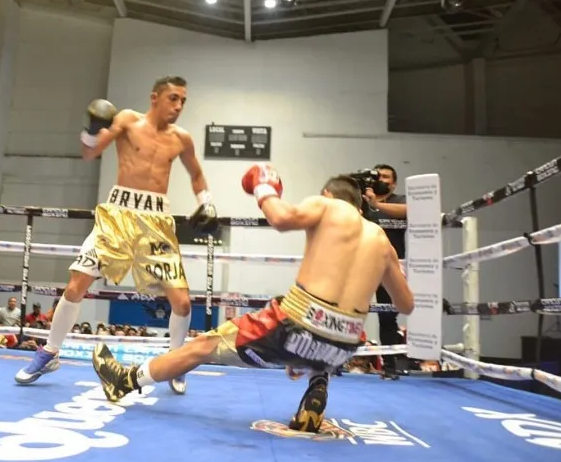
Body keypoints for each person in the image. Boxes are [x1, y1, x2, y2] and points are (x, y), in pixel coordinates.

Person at [91, 165, 413, 432]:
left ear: (328, 195)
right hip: (343, 345)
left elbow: (281, 218)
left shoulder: (327, 205)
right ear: (361, 205)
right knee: (323, 334)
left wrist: (263, 187)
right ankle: (317, 388)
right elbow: (405, 305)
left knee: (203, 346)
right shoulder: (383, 242)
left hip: (296, 326)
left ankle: (125, 380)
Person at [15, 76, 218, 395]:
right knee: (75, 284)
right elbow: (89, 152)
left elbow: (196, 174)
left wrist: (206, 203)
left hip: (156, 222)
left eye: (183, 101)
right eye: (173, 99)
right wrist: (92, 129)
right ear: (155, 98)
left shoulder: (182, 138)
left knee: (181, 302)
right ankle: (50, 352)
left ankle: (175, 363)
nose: (179, 106)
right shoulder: (127, 120)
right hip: (118, 216)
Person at [362, 164, 407, 379]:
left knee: (388, 317)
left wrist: (376, 204)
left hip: (390, 267)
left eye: (386, 177)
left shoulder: (400, 200)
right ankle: (335, 362)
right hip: (362, 264)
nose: (382, 179)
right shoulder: (363, 199)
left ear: (394, 183)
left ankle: (389, 366)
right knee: (348, 312)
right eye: (378, 176)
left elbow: (408, 211)